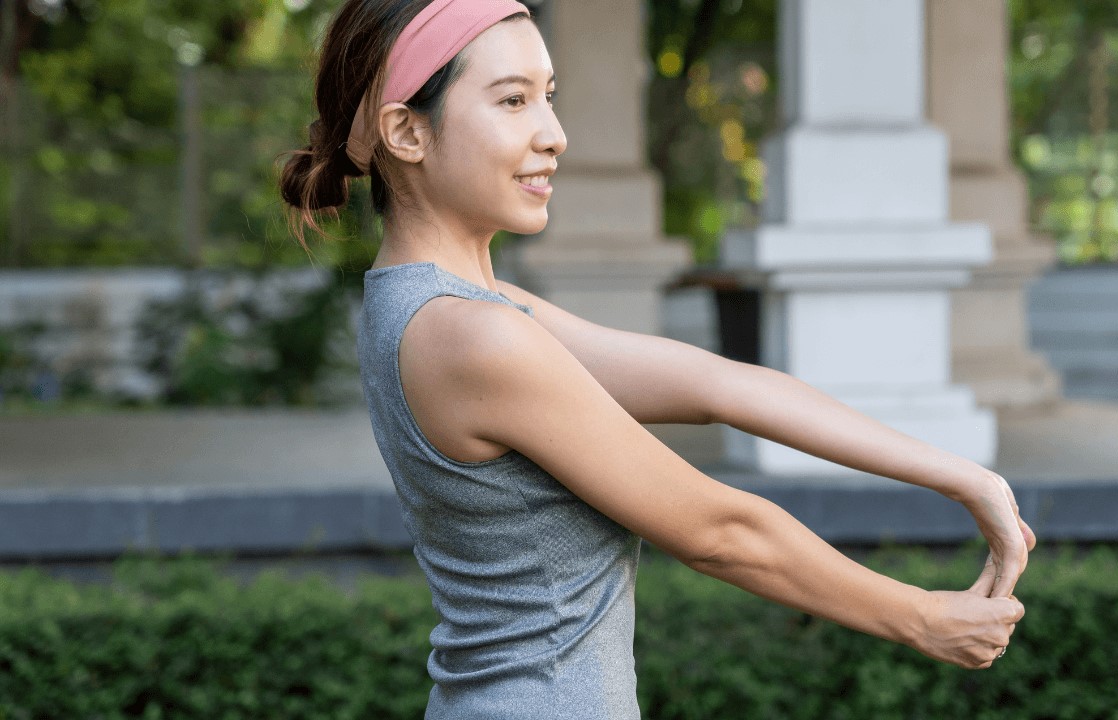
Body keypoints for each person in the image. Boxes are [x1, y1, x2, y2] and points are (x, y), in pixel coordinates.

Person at [279, 1, 1036, 717]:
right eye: (513, 101)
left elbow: (718, 385)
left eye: (549, 95)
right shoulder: (472, 337)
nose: (554, 133)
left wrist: (962, 475)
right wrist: (924, 618)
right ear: (407, 134)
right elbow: (719, 531)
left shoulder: (457, 308)